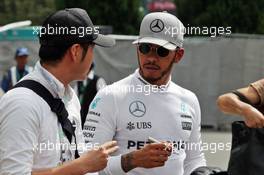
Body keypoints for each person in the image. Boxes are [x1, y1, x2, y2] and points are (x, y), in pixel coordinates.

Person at [83, 11, 206, 175]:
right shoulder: (111, 96)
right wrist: (132, 160)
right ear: (137, 48)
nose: (151, 58)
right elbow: (85, 165)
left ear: (178, 55)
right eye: (145, 48)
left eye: (162, 51)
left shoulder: (189, 100)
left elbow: (194, 160)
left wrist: (203, 171)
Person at [0, 8, 118, 175]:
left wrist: (129, 160)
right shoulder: (22, 103)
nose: (93, 56)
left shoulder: (69, 97)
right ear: (76, 51)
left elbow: (79, 159)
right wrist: (81, 166)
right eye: (92, 47)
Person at [76, 62, 107, 128]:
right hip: (81, 114)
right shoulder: (79, 80)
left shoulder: (98, 80)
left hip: (94, 115)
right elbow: (75, 95)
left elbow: (105, 98)